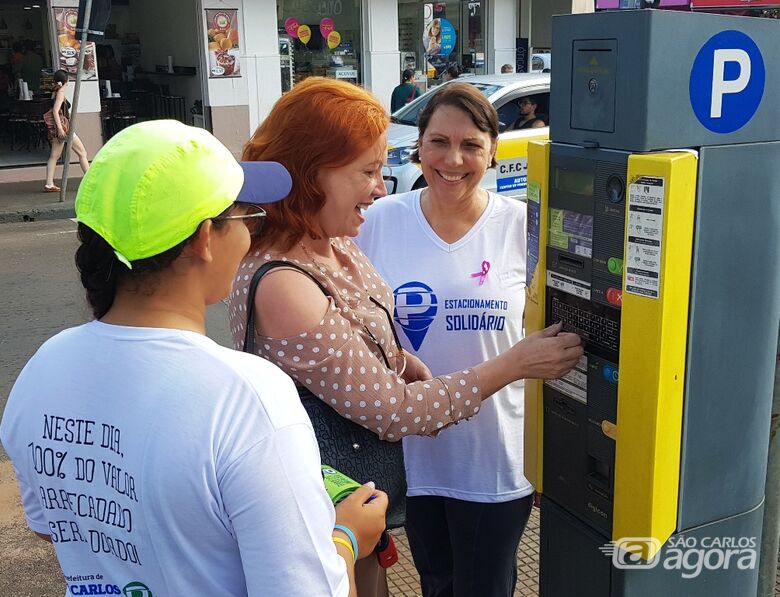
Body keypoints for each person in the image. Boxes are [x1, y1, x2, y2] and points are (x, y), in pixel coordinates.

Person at [0, 120, 387, 597]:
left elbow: (48, 523)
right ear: (205, 238)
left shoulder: (42, 369)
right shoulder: (248, 397)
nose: (252, 235)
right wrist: (347, 538)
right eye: (248, 218)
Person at [228, 77, 582, 596]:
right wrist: (513, 364)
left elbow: (366, 315)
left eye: (471, 145)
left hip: (422, 479)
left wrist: (396, 355)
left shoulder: (336, 239)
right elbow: (395, 410)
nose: (380, 186)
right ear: (311, 173)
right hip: (335, 504)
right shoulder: (287, 279)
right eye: (368, 171)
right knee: (437, 580)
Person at [355, 82, 542, 596]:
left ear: (494, 151)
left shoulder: (523, 227)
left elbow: (547, 341)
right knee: (436, 582)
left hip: (496, 462)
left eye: (471, 146)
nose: (452, 159)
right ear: (419, 145)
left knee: (484, 588)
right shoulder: (378, 220)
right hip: (412, 461)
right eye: (438, 142)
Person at [43, 70, 89, 193]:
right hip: (65, 129)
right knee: (82, 153)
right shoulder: (60, 93)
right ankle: (89, 179)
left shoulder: (55, 91)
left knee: (54, 156)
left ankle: (49, 183)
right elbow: (55, 111)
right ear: (66, 80)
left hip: (61, 129)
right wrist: (59, 128)